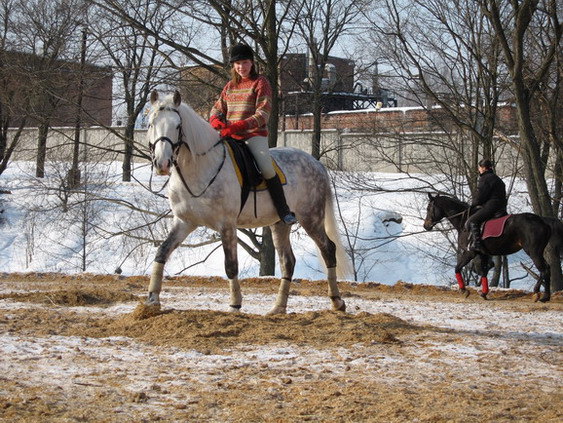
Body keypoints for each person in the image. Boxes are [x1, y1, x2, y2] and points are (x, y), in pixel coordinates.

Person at [209, 43, 297, 225]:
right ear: (233, 66)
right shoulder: (230, 86)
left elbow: (263, 114)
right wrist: (215, 120)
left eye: (245, 62)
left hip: (253, 135)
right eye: (238, 63)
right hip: (229, 135)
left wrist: (238, 125)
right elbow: (217, 108)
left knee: (265, 167)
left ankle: (283, 210)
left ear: (252, 63)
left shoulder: (261, 83)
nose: (242, 67)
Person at [466, 159, 507, 252]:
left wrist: (473, 205)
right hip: (501, 206)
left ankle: (477, 244)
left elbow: (481, 196)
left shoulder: (485, 178)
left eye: (479, 168)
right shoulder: (496, 178)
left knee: (473, 220)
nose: (479, 170)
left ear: (484, 168)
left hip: (492, 206)